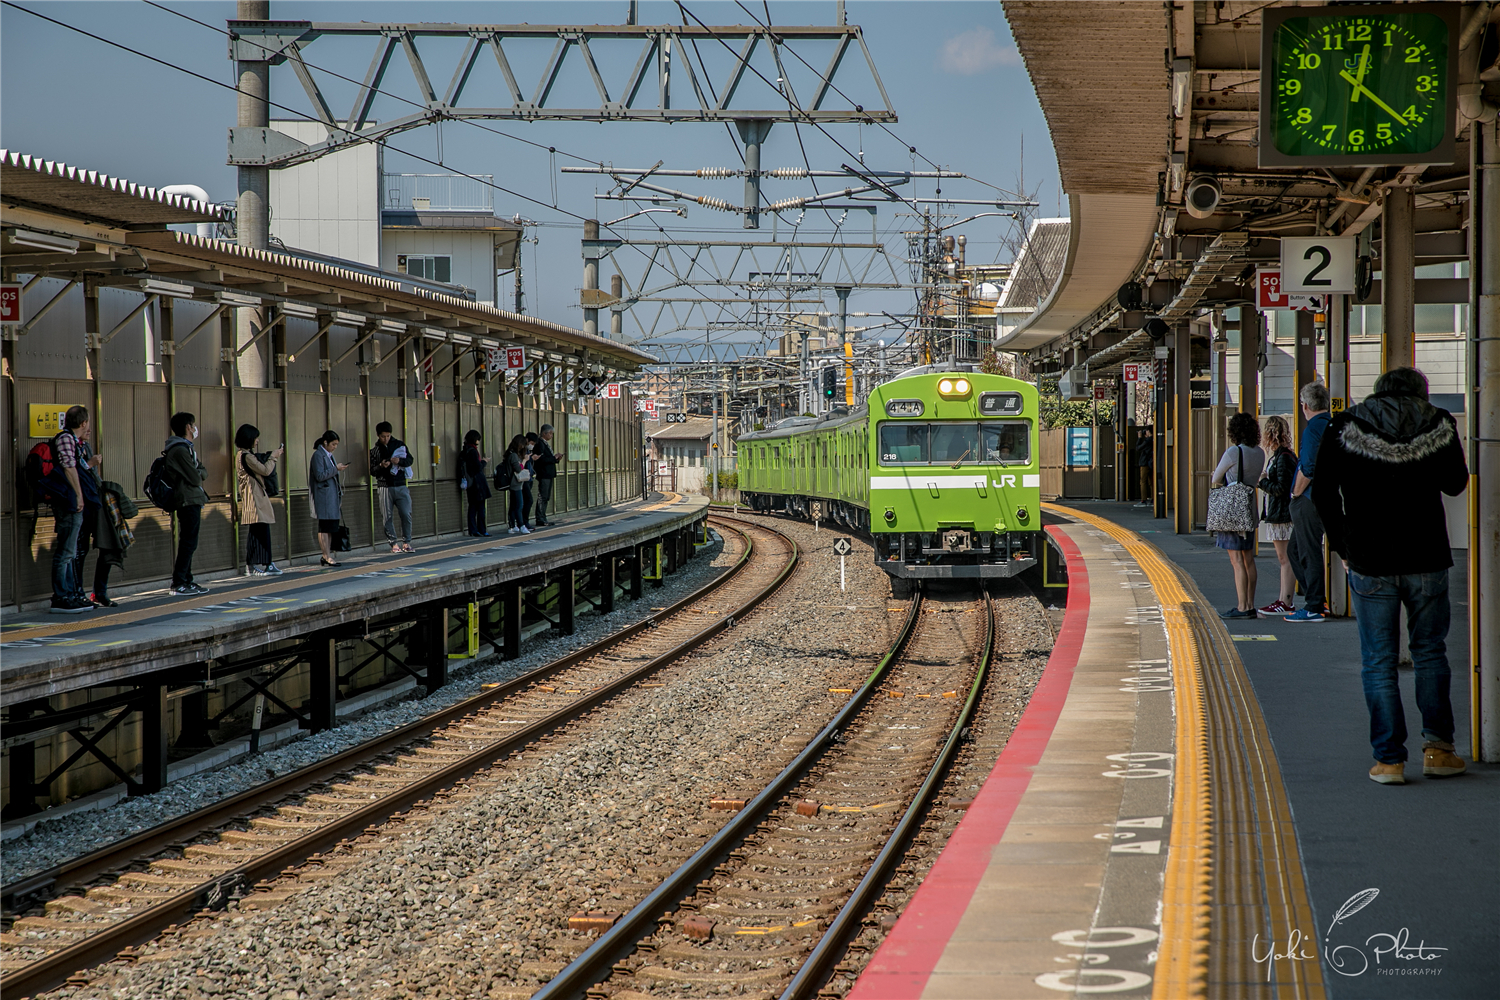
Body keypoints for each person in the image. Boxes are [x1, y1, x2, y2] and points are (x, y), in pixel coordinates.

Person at [1313, 367, 1469, 785]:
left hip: (1369, 558)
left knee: (1378, 661)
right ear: (1421, 393)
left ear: (1378, 393)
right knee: (1431, 653)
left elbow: (1323, 491)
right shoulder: (1439, 423)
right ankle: (1439, 750)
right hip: (1428, 556)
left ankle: (1389, 761)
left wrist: (1343, 547)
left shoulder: (1346, 425)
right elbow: (1456, 484)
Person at [1209, 412, 1266, 619]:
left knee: (1236, 560)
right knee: (1248, 558)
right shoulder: (1259, 452)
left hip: (1233, 509)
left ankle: (1242, 606)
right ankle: (1250, 604)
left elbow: (1216, 478)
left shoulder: (1234, 452)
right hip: (1250, 508)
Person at [1285, 382, 1331, 621]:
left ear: (1304, 406)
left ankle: (1314, 605)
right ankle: (1316, 598)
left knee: (1307, 551)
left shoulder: (1313, 428)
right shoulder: (1334, 424)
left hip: (1309, 499)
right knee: (1295, 550)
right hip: (1327, 496)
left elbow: (1308, 467)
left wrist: (1295, 493)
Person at [46, 406, 92, 613]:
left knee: (71, 551)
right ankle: (61, 596)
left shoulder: (75, 441)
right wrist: (79, 495)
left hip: (72, 500)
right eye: (88, 422)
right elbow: (69, 466)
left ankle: (72, 594)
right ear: (83, 423)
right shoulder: (65, 439)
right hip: (68, 500)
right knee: (65, 552)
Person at [1255, 415, 1297, 618]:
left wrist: (1262, 481)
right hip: (1281, 513)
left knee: (1285, 559)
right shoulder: (1283, 456)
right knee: (1284, 558)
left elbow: (1281, 488)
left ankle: (1286, 601)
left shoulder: (1282, 458)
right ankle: (1283, 599)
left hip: (1282, 514)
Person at [166, 411, 210, 596]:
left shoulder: (187, 448)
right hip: (187, 499)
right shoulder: (179, 450)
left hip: (192, 499)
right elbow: (196, 477)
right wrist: (198, 472)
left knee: (190, 542)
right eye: (193, 425)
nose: (195, 428)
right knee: (188, 542)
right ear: (187, 427)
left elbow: (202, 471)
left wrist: (198, 471)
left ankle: (187, 579)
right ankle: (179, 582)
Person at [70, 415, 110, 607]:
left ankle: (99, 592)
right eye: (87, 425)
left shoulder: (85, 447)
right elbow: (71, 470)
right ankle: (76, 592)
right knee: (78, 550)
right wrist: (91, 464)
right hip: (79, 505)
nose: (89, 430)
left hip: (93, 503)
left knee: (108, 545)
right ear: (82, 423)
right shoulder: (68, 444)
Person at [235, 424, 284, 576]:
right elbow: (265, 470)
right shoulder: (246, 456)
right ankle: (255, 565)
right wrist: (273, 457)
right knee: (258, 532)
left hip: (256, 497)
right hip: (254, 498)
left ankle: (266, 563)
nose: (257, 441)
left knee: (260, 531)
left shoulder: (243, 455)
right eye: (255, 438)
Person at [370, 421, 415, 553]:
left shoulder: (399, 445)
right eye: (383, 436)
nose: (386, 439)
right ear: (378, 435)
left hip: (400, 484)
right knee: (387, 516)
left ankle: (406, 542)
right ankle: (393, 543)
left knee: (406, 513)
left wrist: (399, 461)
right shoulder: (375, 450)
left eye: (388, 436)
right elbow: (372, 471)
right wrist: (380, 466)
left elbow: (410, 460)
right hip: (384, 486)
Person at [310, 430, 349, 566]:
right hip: (324, 497)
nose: (335, 447)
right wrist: (336, 469)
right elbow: (319, 476)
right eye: (333, 444)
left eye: (336, 444)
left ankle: (328, 554)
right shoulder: (318, 455)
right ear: (325, 442)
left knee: (331, 526)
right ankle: (325, 555)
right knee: (324, 527)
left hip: (331, 496)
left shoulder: (329, 455)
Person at [462, 429, 492, 537]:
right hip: (477, 482)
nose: (478, 442)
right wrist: (484, 461)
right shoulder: (473, 451)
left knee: (472, 507)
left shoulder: (465, 450)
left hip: (470, 483)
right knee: (480, 508)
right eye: (478, 439)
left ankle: (473, 530)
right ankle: (482, 529)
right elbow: (478, 467)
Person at [531, 423, 561, 527]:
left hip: (549, 473)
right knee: (542, 496)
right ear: (544, 433)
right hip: (544, 474)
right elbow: (541, 459)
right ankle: (540, 518)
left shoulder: (545, 444)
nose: (551, 436)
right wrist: (553, 458)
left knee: (546, 496)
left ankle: (543, 516)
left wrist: (556, 459)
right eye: (550, 434)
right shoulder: (540, 444)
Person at [503, 434, 531, 535]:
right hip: (515, 484)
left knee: (513, 505)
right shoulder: (514, 455)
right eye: (523, 445)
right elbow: (518, 469)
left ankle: (512, 525)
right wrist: (524, 460)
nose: (523, 447)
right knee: (519, 505)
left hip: (514, 483)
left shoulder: (510, 453)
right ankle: (521, 525)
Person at [1134, 425, 1154, 506]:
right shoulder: (1154, 440)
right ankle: (1153, 499)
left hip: (1144, 463)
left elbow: (1138, 448)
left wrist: (1139, 438)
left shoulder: (1148, 440)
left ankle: (1143, 500)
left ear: (1148, 431)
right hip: (1151, 463)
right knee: (1151, 482)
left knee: (1143, 481)